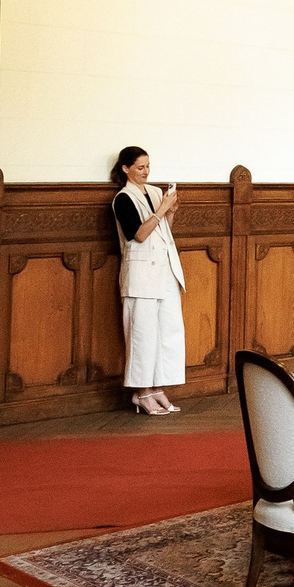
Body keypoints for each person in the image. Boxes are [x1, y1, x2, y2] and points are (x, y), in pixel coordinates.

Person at [110, 146, 184, 416]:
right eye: (140, 167)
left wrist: (170, 211)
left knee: (166, 332)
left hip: (163, 271)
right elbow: (139, 235)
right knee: (142, 334)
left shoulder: (154, 192)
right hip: (140, 275)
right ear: (126, 169)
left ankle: (157, 388)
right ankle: (141, 392)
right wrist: (161, 209)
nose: (146, 172)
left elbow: (164, 232)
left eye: (148, 166)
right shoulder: (123, 198)